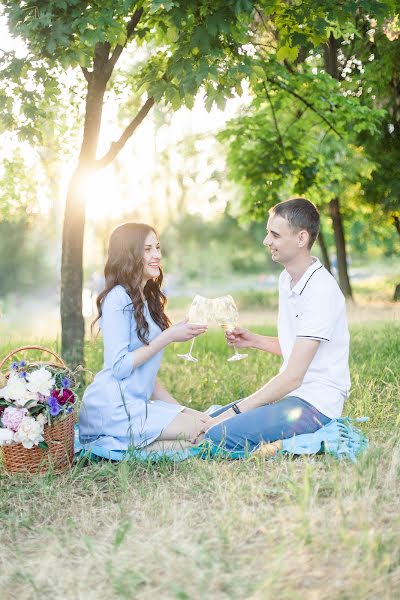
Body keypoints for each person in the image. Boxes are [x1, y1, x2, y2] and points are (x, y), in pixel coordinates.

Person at [201, 198, 350, 452]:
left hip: (315, 405)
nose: (266, 241)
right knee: (203, 422)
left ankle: (290, 443)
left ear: (301, 238)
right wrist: (255, 340)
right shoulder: (287, 279)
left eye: (275, 234)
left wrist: (237, 410)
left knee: (217, 435)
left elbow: (293, 376)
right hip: (291, 397)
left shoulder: (321, 290)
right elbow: (299, 348)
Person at [79, 222, 210, 452]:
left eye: (157, 248)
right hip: (113, 409)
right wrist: (168, 336)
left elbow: (147, 377)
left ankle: (137, 445)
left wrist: (180, 410)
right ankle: (115, 442)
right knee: (201, 435)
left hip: (136, 405)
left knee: (209, 426)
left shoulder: (146, 299)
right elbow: (119, 367)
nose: (157, 255)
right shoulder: (117, 298)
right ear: (129, 255)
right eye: (147, 250)